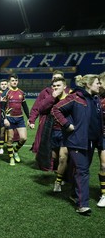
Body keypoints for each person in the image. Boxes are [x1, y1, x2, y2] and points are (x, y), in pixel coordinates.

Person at [52, 74, 102, 215]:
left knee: (82, 170)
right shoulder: (75, 97)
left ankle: (74, 194)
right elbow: (55, 110)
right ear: (88, 84)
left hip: (91, 141)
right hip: (77, 141)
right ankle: (82, 205)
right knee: (83, 171)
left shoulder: (95, 99)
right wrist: (67, 124)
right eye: (97, 83)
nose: (99, 85)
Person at [28, 70, 66, 154]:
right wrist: (32, 120)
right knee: (44, 144)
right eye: (54, 78)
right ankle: (44, 163)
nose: (55, 80)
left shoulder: (68, 93)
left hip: (61, 124)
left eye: (58, 78)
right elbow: (36, 107)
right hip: (46, 121)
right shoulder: (45, 92)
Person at [2, 73, 29, 166]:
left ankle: (15, 150)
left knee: (23, 138)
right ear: (9, 82)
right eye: (13, 80)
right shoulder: (6, 93)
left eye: (16, 80)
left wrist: (30, 119)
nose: (14, 82)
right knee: (10, 139)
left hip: (20, 118)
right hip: (9, 119)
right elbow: (2, 108)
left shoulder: (21, 92)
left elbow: (25, 107)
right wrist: (4, 119)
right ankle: (11, 158)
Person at [96, 71, 105, 207]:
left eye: (100, 82)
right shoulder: (97, 98)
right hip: (101, 136)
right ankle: (104, 194)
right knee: (103, 165)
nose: (98, 85)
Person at [0, 79, 8, 154]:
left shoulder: (9, 93)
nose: (3, 85)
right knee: (1, 131)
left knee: (6, 132)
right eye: (2, 84)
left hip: (8, 115)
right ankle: (1, 148)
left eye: (5, 84)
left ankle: (5, 147)